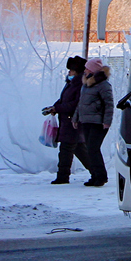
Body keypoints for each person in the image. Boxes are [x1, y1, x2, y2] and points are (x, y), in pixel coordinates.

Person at [42, 56, 88, 185]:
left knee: (66, 150)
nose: (69, 73)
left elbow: (74, 104)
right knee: (79, 149)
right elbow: (64, 100)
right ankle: (98, 172)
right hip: (68, 121)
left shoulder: (79, 85)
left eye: (71, 70)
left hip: (73, 121)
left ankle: (63, 177)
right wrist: (54, 107)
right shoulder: (71, 84)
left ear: (76, 71)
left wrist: (58, 108)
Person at [72, 56, 114, 187]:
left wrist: (107, 122)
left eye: (87, 68)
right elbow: (81, 103)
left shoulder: (103, 85)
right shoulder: (86, 84)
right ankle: (95, 175)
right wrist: (76, 117)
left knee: (93, 148)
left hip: (98, 123)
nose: (85, 70)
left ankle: (101, 177)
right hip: (86, 121)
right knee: (90, 149)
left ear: (93, 70)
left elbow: (109, 104)